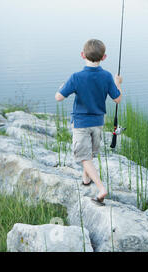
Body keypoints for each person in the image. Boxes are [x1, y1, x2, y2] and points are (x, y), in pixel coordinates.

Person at [55, 39, 122, 206]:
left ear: (82, 55)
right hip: (98, 122)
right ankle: (86, 179)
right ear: (104, 57)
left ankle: (101, 189)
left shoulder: (76, 77)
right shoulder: (107, 76)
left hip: (81, 123)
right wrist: (118, 84)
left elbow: (58, 97)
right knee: (90, 154)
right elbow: (118, 99)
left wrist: (63, 86)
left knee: (84, 157)